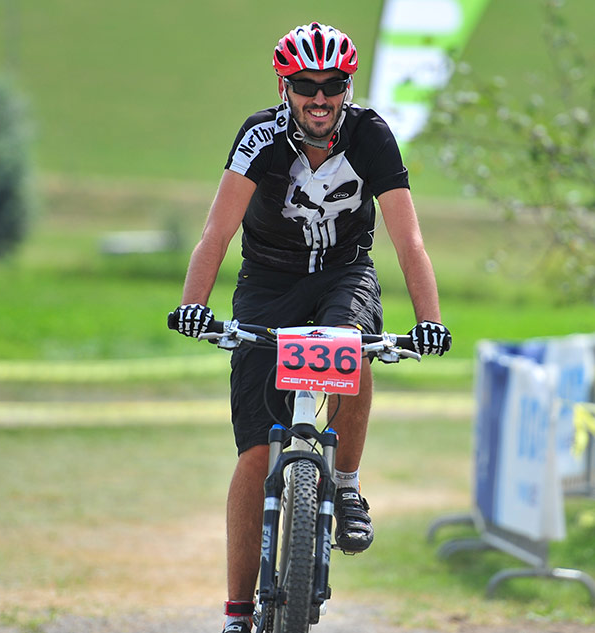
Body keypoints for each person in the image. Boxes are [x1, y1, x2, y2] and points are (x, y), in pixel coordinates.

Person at [169, 22, 452, 633]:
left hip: (343, 274)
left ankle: (345, 483)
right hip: (268, 282)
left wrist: (429, 321)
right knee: (251, 455)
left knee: (354, 346)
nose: (319, 98)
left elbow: (408, 238)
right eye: (305, 85)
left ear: (346, 86)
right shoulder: (259, 138)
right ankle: (238, 615)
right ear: (284, 86)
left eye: (332, 85)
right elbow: (216, 232)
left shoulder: (371, 135)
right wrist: (194, 305)